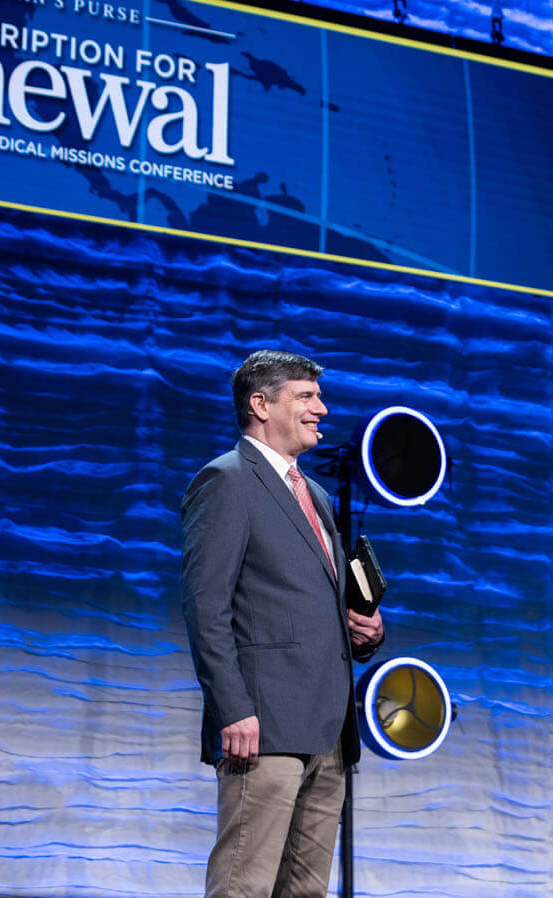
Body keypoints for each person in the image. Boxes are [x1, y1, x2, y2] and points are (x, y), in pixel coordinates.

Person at [181, 349, 385, 898]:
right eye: (307, 396)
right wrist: (233, 708)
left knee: (304, 891)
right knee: (243, 886)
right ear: (260, 404)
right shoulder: (225, 482)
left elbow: (317, 607)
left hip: (328, 733)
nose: (322, 407)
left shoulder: (314, 494)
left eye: (318, 396)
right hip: (263, 729)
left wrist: (364, 632)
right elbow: (206, 607)